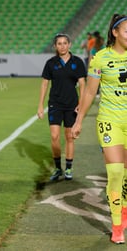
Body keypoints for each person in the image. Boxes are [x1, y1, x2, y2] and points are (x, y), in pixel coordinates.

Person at [71, 14, 127, 244]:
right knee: (115, 173)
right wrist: (79, 119)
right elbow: (90, 92)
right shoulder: (99, 58)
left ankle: (123, 205)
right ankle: (116, 225)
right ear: (115, 32)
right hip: (109, 120)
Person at [37, 33, 86, 181]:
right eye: (59, 44)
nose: (62, 46)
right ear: (55, 46)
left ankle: (69, 168)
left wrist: (81, 103)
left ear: (69, 45)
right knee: (54, 136)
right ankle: (58, 168)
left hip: (72, 105)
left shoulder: (77, 62)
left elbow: (83, 84)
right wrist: (40, 105)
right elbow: (45, 84)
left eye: (65, 43)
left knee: (70, 137)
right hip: (55, 104)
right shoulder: (51, 63)